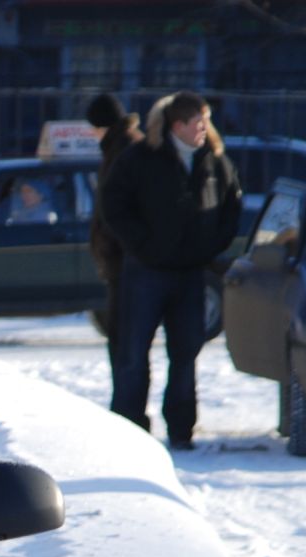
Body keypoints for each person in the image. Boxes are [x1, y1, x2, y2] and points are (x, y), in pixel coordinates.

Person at [100, 90, 241, 451]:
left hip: (191, 273)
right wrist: (143, 246)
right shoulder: (141, 158)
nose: (204, 129)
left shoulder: (214, 161)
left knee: (186, 354)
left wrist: (211, 246)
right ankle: (129, 428)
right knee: (134, 353)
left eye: (206, 122)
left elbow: (230, 207)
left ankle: (181, 428)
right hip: (146, 272)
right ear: (177, 125)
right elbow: (114, 207)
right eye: (198, 122)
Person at [85, 92, 143, 389]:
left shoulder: (125, 149)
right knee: (121, 338)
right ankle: (125, 405)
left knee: (125, 340)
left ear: (103, 125)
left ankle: (127, 410)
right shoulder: (117, 147)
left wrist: (118, 246)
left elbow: (121, 209)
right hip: (120, 260)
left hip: (128, 262)